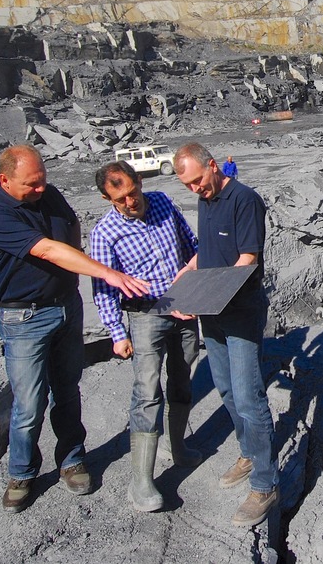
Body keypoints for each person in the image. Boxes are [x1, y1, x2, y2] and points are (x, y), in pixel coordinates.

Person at [0, 145, 150, 513]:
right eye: (31, 185)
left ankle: (71, 460)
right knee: (30, 402)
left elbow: (69, 229)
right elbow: (49, 249)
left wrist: (75, 269)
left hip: (66, 308)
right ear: (4, 179)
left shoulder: (49, 194)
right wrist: (108, 273)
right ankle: (22, 473)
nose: (40, 189)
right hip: (24, 318)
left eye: (43, 180)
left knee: (67, 390)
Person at [173, 141, 279, 528]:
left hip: (240, 310)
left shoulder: (244, 199)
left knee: (249, 396)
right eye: (188, 186)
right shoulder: (205, 200)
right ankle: (249, 450)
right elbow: (209, 251)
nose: (195, 189)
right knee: (227, 389)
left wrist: (210, 295)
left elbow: (246, 259)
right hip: (212, 311)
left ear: (212, 166)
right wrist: (184, 279)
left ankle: (266, 484)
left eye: (198, 181)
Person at [88, 160, 203, 513]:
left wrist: (197, 287)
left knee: (183, 375)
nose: (129, 202)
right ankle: (141, 482)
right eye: (119, 199)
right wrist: (116, 334)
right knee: (147, 391)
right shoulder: (105, 233)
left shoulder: (165, 203)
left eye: (132, 193)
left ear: (140, 181)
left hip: (183, 307)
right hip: (145, 316)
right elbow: (103, 288)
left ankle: (177, 445)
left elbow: (191, 245)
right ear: (109, 200)